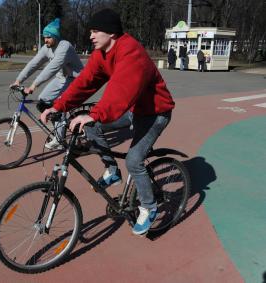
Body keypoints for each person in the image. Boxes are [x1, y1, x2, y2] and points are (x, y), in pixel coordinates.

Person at [40, 9, 175, 235]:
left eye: (95, 31)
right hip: (132, 109)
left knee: (134, 160)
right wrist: (58, 105)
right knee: (91, 126)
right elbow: (85, 82)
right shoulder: (101, 54)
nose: (90, 36)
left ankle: (149, 207)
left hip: (155, 113)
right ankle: (112, 170)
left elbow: (120, 90)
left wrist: (94, 113)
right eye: (90, 31)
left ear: (111, 33)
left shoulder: (131, 53)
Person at [11, 18, 83, 149]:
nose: (46, 40)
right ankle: (59, 125)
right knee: (43, 100)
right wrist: (18, 80)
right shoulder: (46, 48)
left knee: (58, 104)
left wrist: (34, 85)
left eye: (49, 37)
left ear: (55, 36)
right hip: (62, 78)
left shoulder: (64, 46)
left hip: (75, 78)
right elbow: (34, 63)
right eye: (44, 37)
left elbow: (53, 67)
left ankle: (60, 139)